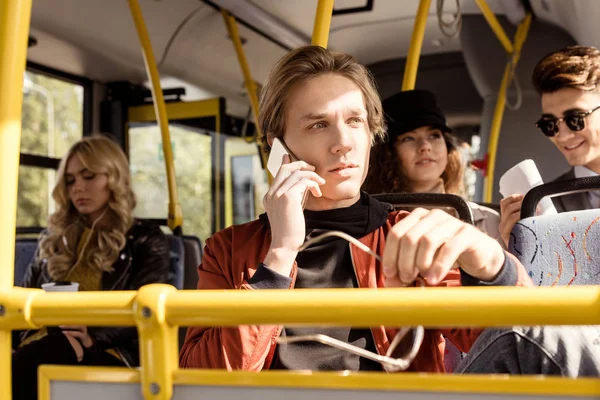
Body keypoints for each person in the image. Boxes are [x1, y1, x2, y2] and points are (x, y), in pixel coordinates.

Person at [179, 45, 600, 376]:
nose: (343, 142)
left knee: (547, 330)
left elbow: (504, 338)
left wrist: (492, 263)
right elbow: (202, 379)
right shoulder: (230, 249)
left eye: (355, 121)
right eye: (318, 124)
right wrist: (280, 255)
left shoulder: (413, 234)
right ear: (278, 147)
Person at [12, 135, 170, 400]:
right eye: (71, 180)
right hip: (42, 342)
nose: (78, 189)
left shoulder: (145, 239)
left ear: (114, 178)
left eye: (89, 177)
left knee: (53, 348)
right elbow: (23, 298)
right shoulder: (55, 238)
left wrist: (93, 337)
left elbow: (147, 308)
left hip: (107, 348)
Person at [363, 89, 502, 244]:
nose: (425, 146)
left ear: (448, 148)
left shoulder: (490, 221)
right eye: (409, 138)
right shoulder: (373, 226)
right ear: (388, 154)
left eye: (434, 135)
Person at [499, 45, 600, 246]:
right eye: (550, 124)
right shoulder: (540, 203)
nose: (562, 136)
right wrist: (517, 249)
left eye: (575, 119)